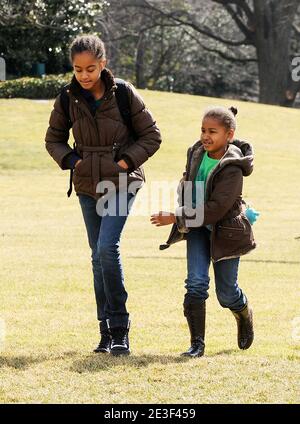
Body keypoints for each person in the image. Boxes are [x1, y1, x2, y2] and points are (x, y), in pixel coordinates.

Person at [45, 35, 162, 356]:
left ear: (103, 63)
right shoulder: (67, 97)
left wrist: (124, 161)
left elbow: (152, 135)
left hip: (122, 182)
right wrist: (74, 162)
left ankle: (121, 328)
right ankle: (106, 332)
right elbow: (53, 139)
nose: (84, 75)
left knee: (107, 248)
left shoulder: (123, 93)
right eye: (78, 69)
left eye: (91, 68)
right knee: (97, 257)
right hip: (86, 184)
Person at [151, 106, 256, 357]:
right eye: (202, 130)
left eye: (212, 131)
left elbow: (217, 209)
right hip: (197, 229)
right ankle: (197, 345)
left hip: (226, 231)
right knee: (196, 283)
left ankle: (243, 312)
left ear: (228, 135)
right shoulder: (196, 152)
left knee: (226, 294)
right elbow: (190, 184)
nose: (205, 136)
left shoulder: (233, 167)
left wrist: (176, 216)